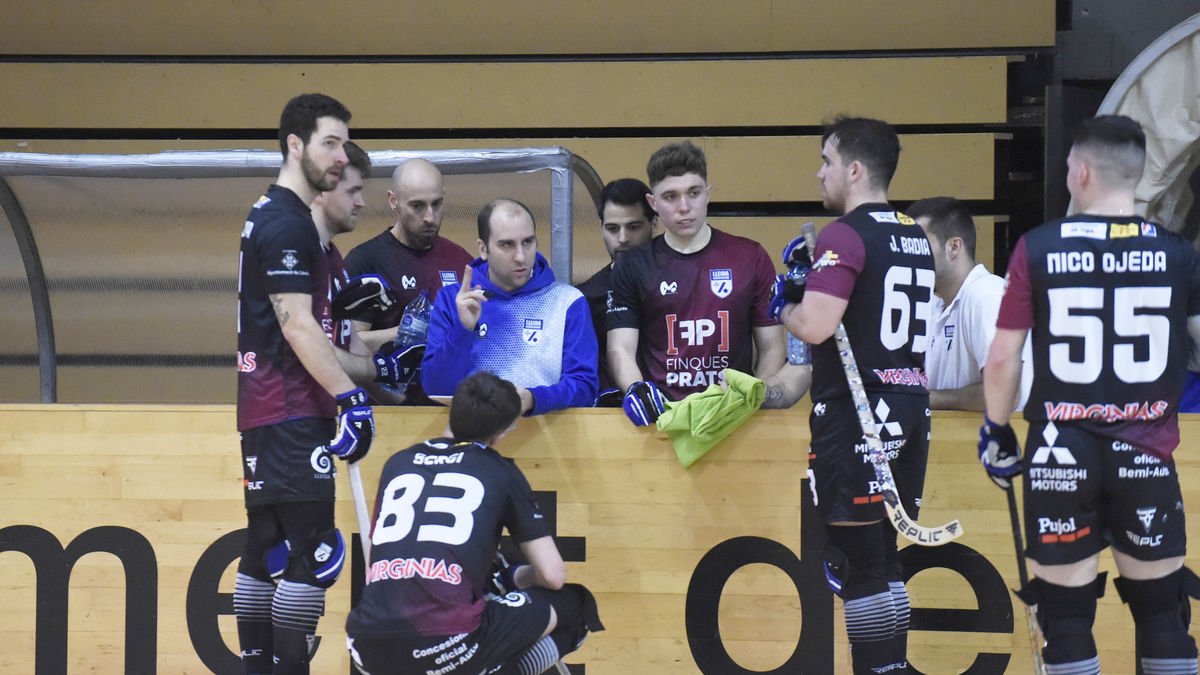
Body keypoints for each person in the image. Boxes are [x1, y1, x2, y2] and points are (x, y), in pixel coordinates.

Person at [980, 114, 1200, 674]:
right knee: (1162, 614)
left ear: (1079, 172)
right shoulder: (1178, 253)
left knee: (1067, 618)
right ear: (1139, 174)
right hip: (1146, 450)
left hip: (1061, 451)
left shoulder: (1038, 248)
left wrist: (997, 431)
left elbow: (1004, 356)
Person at [233, 94, 410, 675]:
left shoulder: (271, 213)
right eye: (330, 143)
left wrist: (373, 360)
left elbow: (296, 324)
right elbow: (295, 324)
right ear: (294, 145)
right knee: (316, 554)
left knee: (264, 553)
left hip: (265, 410)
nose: (340, 157)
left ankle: (260, 663)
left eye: (342, 143)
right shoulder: (287, 222)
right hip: (290, 409)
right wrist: (351, 399)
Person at [776, 116, 934, 674]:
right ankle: (892, 666)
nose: (820, 174)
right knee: (882, 556)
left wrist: (785, 303)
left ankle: (877, 668)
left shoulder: (846, 233)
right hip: (910, 407)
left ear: (855, 169)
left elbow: (816, 326)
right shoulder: (915, 232)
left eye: (826, 161)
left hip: (860, 411)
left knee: (856, 559)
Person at [345, 371, 602, 675]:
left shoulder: (398, 463)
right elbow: (552, 575)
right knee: (575, 606)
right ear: (503, 432)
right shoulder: (499, 470)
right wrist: (515, 577)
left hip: (364, 644)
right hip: (444, 642)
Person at [606, 140, 801, 424]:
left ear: (708, 194)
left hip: (733, 418)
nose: (684, 207)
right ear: (653, 203)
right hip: (662, 422)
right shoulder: (632, 266)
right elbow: (620, 348)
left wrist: (748, 403)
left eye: (693, 193)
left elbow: (772, 347)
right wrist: (638, 390)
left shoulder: (750, 257)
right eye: (671, 196)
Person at [421, 198, 598, 415]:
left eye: (528, 242)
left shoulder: (568, 301)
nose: (521, 257)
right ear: (483, 248)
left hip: (548, 442)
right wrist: (463, 330)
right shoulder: (454, 299)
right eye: (507, 244)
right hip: (472, 440)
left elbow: (585, 386)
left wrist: (534, 399)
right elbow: (435, 388)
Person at [343, 158, 474, 404]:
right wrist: (408, 333)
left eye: (437, 204)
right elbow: (348, 344)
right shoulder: (366, 261)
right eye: (417, 206)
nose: (429, 217)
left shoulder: (461, 260)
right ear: (393, 201)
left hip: (447, 409)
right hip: (388, 409)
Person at [906, 196, 1031, 411]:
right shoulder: (932, 305)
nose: (911, 256)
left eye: (920, 246)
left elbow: (1006, 393)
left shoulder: (986, 295)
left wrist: (928, 399)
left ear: (954, 247)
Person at [575, 178, 657, 396]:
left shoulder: (682, 285)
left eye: (634, 227)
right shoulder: (585, 298)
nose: (622, 238)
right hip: (612, 417)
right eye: (612, 228)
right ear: (600, 228)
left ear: (654, 224)